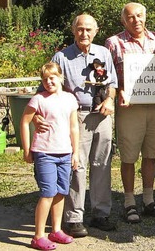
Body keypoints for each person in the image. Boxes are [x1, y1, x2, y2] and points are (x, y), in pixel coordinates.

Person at [36, 14, 118, 237]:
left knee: (102, 164)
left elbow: (112, 84)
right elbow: (44, 88)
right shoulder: (61, 57)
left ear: (96, 30)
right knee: (77, 166)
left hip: (101, 116)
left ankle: (100, 214)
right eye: (80, 29)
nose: (84, 34)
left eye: (89, 29)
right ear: (73, 30)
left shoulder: (103, 53)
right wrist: (36, 116)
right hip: (76, 118)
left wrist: (110, 99)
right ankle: (74, 218)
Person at [105, 2, 155, 223]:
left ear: (146, 16)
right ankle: (129, 203)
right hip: (129, 107)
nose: (136, 20)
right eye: (131, 17)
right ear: (124, 21)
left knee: (151, 154)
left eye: (140, 15)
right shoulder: (114, 43)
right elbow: (108, 76)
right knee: (129, 156)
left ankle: (149, 200)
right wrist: (119, 90)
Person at [21, 63, 80, 250]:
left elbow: (73, 126)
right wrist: (26, 148)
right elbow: (24, 121)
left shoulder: (70, 99)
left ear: (61, 78)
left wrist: (75, 152)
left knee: (61, 192)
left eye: (52, 77)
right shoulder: (38, 99)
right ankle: (38, 235)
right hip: (45, 152)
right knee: (47, 193)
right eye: (45, 79)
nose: (48, 82)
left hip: (65, 152)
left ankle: (56, 230)